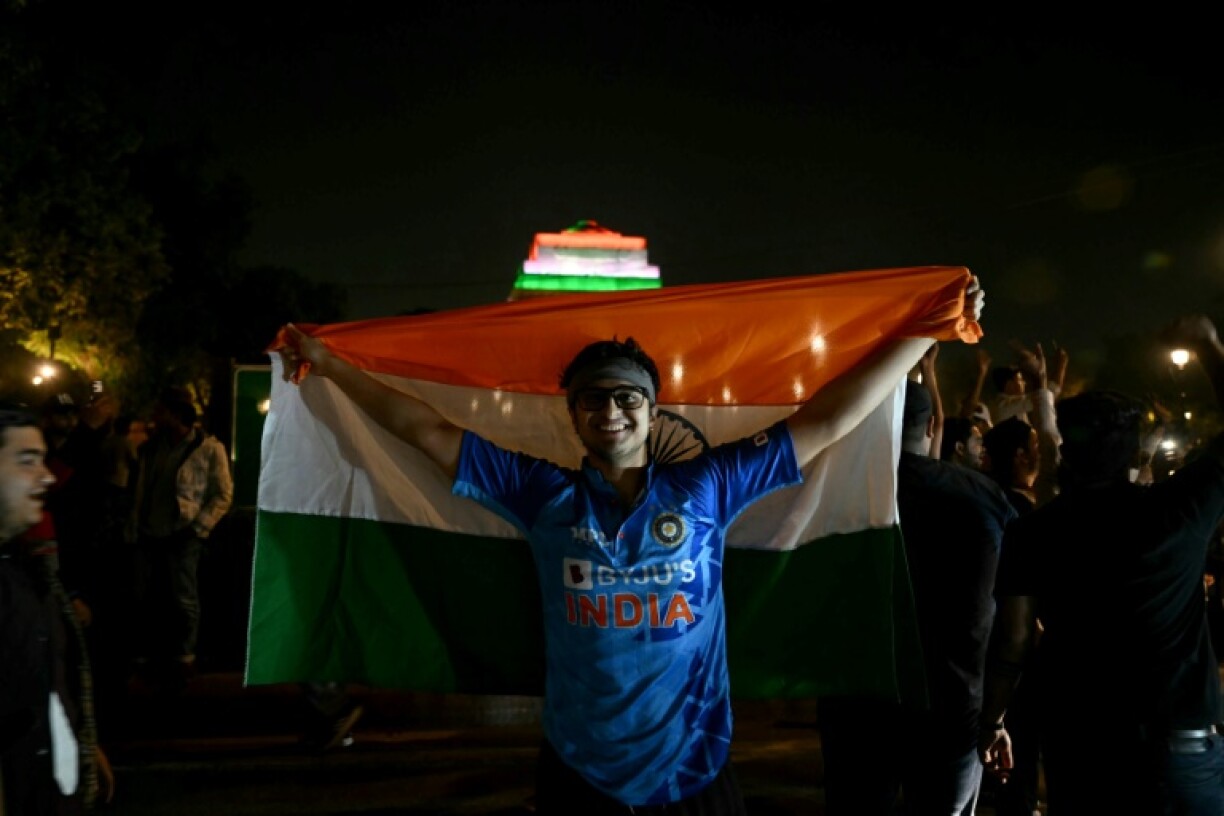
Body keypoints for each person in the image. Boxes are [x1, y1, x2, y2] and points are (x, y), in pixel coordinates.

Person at [274, 276, 984, 814]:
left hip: (695, 768)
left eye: (626, 398)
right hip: (578, 766)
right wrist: (332, 366)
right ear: (574, 417)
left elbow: (827, 418)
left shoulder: (708, 486)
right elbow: (426, 431)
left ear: (652, 409)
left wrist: (928, 329)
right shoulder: (542, 493)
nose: (610, 411)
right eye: (593, 400)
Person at [979, 314, 1224, 814]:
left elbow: (1016, 640)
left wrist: (994, 718)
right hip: (1177, 742)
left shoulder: (1034, 530)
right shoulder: (1178, 511)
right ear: (1134, 451)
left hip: (1080, 740)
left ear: (1067, 450)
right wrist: (1209, 348)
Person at [818, 379, 1014, 815]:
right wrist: (995, 718)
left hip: (856, 706)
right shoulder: (983, 497)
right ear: (929, 430)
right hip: (951, 705)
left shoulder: (834, 494)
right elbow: (1013, 616)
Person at [0, 401, 113, 813]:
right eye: (27, 461)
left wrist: (79, 744)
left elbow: (45, 684)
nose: (46, 477)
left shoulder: (26, 573)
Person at [128, 387, 233, 684]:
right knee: (143, 596)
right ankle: (146, 654)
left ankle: (184, 656)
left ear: (175, 414)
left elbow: (222, 494)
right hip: (149, 531)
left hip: (183, 533)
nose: (155, 417)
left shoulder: (209, 448)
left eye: (161, 411)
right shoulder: (151, 448)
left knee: (183, 598)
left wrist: (198, 528)